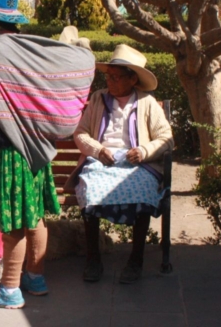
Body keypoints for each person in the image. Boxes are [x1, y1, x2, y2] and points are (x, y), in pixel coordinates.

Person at [0, 0, 95, 309]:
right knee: (33, 217)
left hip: (4, 150)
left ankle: (9, 289)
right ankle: (35, 277)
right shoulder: (23, 47)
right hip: (35, 148)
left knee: (12, 222)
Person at [65, 44, 174, 284]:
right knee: (90, 189)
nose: (110, 82)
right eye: (108, 77)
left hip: (138, 164)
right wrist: (98, 149)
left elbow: (166, 138)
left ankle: (136, 261)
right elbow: (81, 133)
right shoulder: (98, 98)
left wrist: (145, 151)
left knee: (144, 192)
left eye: (116, 77)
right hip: (102, 160)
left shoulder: (146, 102)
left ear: (133, 79)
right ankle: (93, 260)